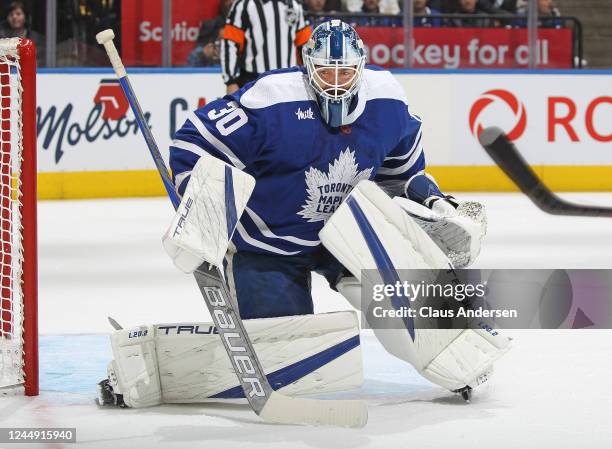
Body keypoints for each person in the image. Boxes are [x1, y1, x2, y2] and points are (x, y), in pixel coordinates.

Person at [166, 19, 504, 402]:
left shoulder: (388, 101)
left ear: (361, 66)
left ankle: (455, 352)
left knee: (403, 303)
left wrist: (437, 202)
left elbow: (403, 174)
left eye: (346, 71)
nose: (337, 81)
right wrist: (203, 208)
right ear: (308, 66)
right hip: (268, 243)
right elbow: (192, 144)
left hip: (347, 234)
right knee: (287, 366)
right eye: (327, 71)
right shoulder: (270, 100)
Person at [220, 0, 311, 95]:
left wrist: (309, 76)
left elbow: (305, 46)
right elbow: (230, 43)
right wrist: (231, 82)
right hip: (253, 80)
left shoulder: (294, 5)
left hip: (288, 80)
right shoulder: (244, 5)